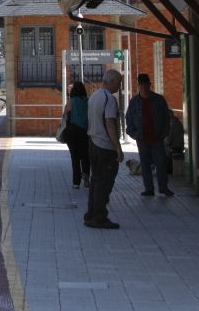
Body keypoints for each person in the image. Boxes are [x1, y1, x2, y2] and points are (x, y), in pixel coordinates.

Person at [84, 69, 124, 229]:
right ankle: (99, 217)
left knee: (95, 180)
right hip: (105, 146)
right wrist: (118, 148)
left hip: (93, 143)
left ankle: (91, 214)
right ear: (112, 81)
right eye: (119, 83)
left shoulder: (94, 96)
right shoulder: (109, 99)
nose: (119, 87)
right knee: (104, 183)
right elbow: (110, 124)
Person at [124, 73, 174, 197]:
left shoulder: (159, 100)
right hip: (142, 138)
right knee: (145, 164)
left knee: (161, 163)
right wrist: (134, 134)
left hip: (157, 137)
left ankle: (163, 187)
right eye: (141, 86)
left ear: (149, 85)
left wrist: (164, 132)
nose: (144, 88)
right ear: (138, 86)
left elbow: (166, 117)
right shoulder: (134, 102)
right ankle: (149, 188)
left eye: (146, 85)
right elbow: (129, 119)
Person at [62, 81, 91, 189]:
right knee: (86, 156)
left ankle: (76, 182)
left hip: (72, 133)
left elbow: (65, 115)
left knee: (74, 158)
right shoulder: (88, 101)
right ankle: (86, 176)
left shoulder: (71, 102)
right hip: (85, 132)